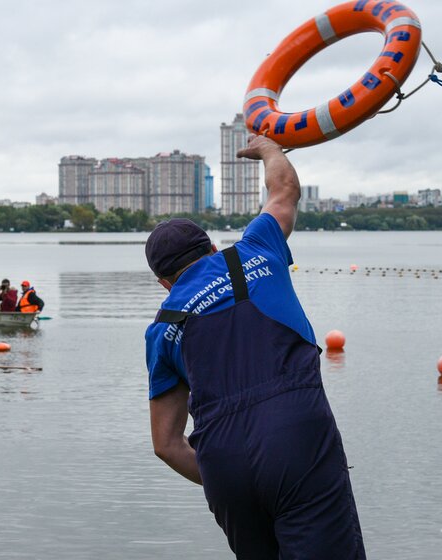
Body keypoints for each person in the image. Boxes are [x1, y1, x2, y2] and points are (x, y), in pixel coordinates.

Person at [144, 135, 364, 559]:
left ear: (163, 282)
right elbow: (284, 191)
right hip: (297, 436)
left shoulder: (162, 327)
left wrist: (229, 477)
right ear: (211, 248)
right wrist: (268, 149)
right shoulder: (256, 248)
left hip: (223, 461)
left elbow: (166, 444)